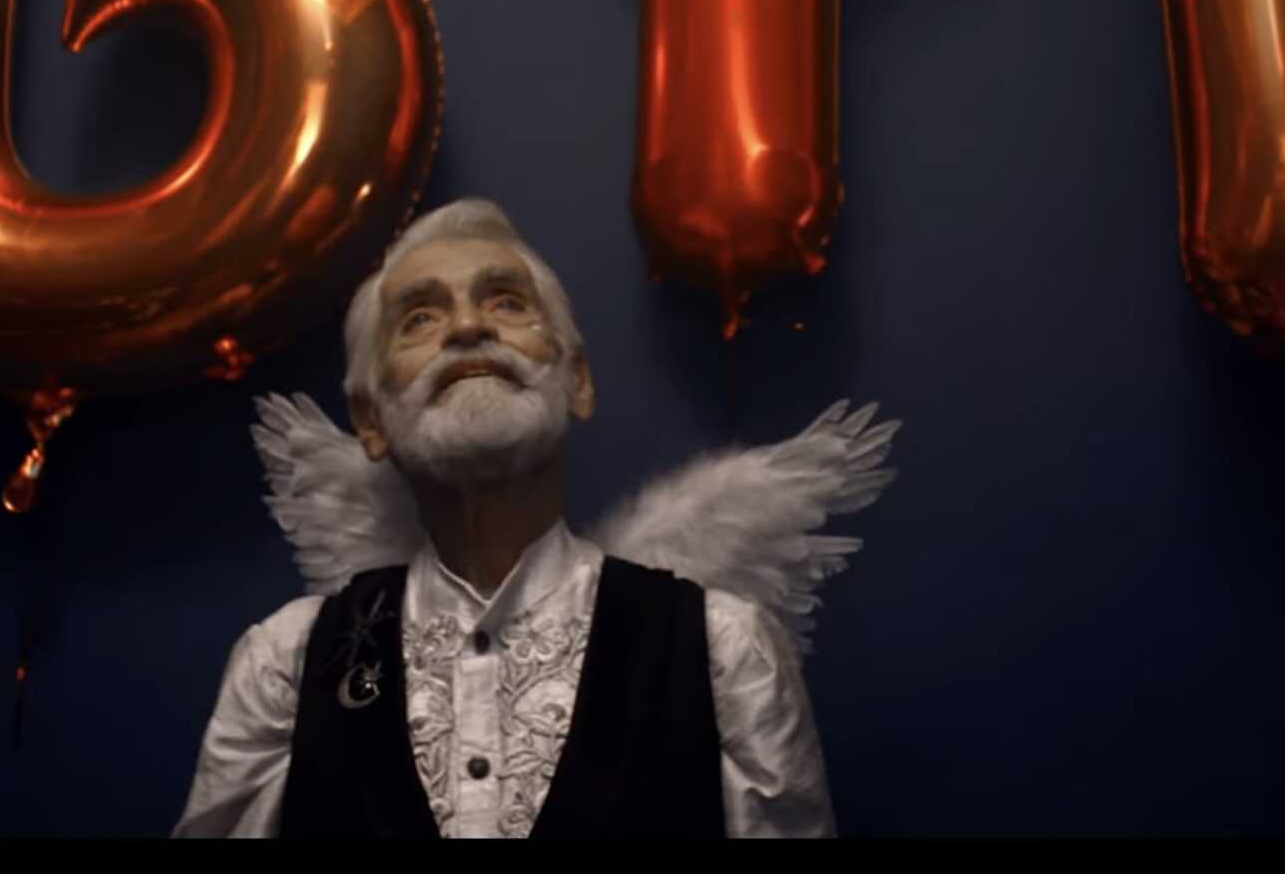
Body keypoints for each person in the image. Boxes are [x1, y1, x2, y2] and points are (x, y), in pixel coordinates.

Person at [174, 198, 896, 838]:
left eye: (506, 302)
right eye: (419, 317)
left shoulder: (725, 651)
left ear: (576, 380)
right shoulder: (284, 667)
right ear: (370, 421)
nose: (465, 328)